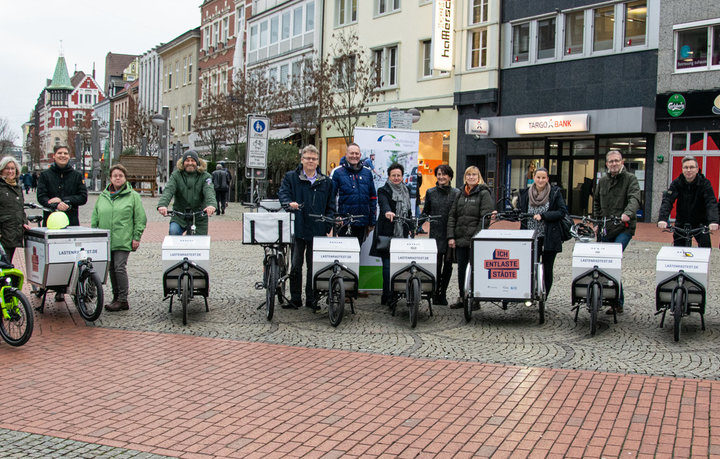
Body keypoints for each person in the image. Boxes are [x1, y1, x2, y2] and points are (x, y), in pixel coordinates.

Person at [278, 145, 335, 310]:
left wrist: (328, 223)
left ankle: (312, 298)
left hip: (318, 229)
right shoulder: (291, 177)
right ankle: (296, 298)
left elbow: (331, 206)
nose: (311, 161)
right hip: (298, 227)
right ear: (302, 159)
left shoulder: (326, 182)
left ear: (318, 161)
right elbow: (283, 194)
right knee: (296, 265)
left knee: (313, 266)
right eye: (308, 158)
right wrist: (289, 204)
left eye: (314, 159)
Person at [91, 164, 147, 312]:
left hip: (123, 238)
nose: (117, 178)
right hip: (106, 239)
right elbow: (96, 215)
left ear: (125, 178)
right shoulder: (103, 196)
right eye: (115, 175)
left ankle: (123, 300)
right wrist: (95, 234)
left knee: (119, 267)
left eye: (120, 175)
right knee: (110, 268)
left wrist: (136, 237)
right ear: (110, 178)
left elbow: (140, 218)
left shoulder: (133, 196)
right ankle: (116, 297)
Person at [593, 149, 641, 314]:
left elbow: (634, 198)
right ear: (607, 164)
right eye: (611, 161)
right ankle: (603, 295)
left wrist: (627, 214)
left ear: (622, 162)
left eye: (617, 160)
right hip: (606, 227)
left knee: (613, 260)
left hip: (623, 228)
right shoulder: (603, 181)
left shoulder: (630, 179)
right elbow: (597, 202)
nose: (614, 163)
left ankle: (616, 302)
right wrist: (597, 221)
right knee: (603, 262)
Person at [447, 166, 494, 308]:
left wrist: (476, 237)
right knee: (462, 270)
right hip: (460, 239)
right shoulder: (460, 193)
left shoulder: (484, 193)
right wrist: (451, 236)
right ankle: (463, 297)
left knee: (475, 269)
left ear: (478, 177)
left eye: (474, 175)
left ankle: (474, 299)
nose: (471, 177)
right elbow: (452, 216)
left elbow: (485, 218)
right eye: (468, 175)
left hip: (475, 240)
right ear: (465, 177)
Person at [517, 167, 568, 296]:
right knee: (528, 266)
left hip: (549, 236)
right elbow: (520, 212)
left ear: (547, 179)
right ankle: (528, 292)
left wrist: (544, 216)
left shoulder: (555, 193)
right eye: (538, 177)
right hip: (530, 237)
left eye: (543, 178)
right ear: (534, 178)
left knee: (547, 267)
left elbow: (562, 212)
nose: (540, 180)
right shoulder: (525, 193)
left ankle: (543, 294)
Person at [369, 163, 412, 306]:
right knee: (387, 267)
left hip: (401, 234)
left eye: (398, 175)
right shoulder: (383, 190)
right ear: (389, 176)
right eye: (393, 175)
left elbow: (409, 212)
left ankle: (397, 293)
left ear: (402, 176)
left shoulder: (406, 190)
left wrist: (411, 227)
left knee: (399, 265)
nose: (396, 177)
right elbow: (383, 203)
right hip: (387, 233)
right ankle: (387, 296)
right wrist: (388, 211)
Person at [420, 164, 460, 306]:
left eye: (444, 174)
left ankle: (443, 293)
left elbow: (458, 214)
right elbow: (426, 212)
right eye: (439, 174)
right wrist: (417, 223)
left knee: (448, 265)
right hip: (436, 234)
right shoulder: (431, 192)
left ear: (449, 177)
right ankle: (435, 293)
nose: (441, 177)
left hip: (450, 233)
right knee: (436, 265)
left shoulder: (456, 193)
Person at [657, 155, 718, 247]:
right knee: (678, 251)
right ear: (682, 169)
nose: (688, 170)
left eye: (692, 167)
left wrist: (713, 221)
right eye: (686, 167)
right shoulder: (677, 183)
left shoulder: (704, 183)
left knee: (705, 250)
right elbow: (668, 200)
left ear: (697, 169)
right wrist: (663, 219)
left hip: (700, 223)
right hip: (682, 223)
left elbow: (710, 202)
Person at [157, 150, 216, 235]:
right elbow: (169, 190)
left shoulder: (205, 176)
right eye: (187, 161)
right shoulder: (176, 175)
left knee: (199, 243)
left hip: (199, 217)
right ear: (183, 162)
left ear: (197, 162)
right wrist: (163, 205)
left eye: (193, 160)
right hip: (179, 216)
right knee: (174, 232)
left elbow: (209, 191)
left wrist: (211, 205)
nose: (190, 163)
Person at [331, 142, 377, 246]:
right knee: (346, 255)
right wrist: (336, 217)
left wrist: (372, 221)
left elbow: (373, 197)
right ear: (346, 154)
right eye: (351, 153)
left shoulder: (367, 173)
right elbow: (331, 197)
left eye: (357, 153)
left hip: (362, 222)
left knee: (358, 252)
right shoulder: (337, 172)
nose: (354, 156)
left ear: (360, 155)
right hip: (344, 222)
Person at [37, 144, 88, 227]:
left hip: (71, 222)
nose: (62, 156)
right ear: (54, 156)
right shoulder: (45, 175)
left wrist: (63, 200)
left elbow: (83, 197)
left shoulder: (77, 176)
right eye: (59, 153)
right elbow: (41, 197)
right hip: (50, 222)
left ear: (69, 156)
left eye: (65, 153)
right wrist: (55, 205)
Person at [0, 156, 30, 264]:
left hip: (12, 234)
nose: (10, 171)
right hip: (3, 233)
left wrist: (24, 222)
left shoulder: (17, 188)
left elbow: (20, 209)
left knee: (7, 264)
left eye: (13, 168)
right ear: (2, 170)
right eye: (7, 168)